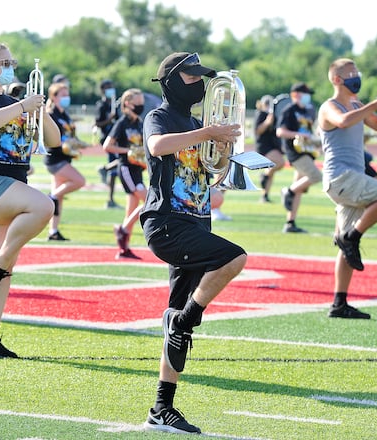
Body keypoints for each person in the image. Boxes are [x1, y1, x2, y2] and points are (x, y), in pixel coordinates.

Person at [140, 52, 246, 434]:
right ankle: (185, 320)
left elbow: (208, 172)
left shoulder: (197, 121)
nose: (199, 84)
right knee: (235, 258)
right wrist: (207, 134)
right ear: (170, 81)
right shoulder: (161, 116)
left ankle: (161, 408)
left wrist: (226, 151)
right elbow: (156, 147)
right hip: (167, 221)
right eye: (191, 77)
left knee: (176, 328)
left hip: (197, 220)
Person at [0, 42, 60, 357]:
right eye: (6, 62)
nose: (11, 66)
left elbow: (54, 140)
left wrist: (38, 110)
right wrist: (22, 106)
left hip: (12, 184)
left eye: (12, 61)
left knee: (3, 267)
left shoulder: (13, 101)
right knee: (45, 206)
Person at [318, 58, 377, 319]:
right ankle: (352, 237)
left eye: (357, 72)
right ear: (336, 79)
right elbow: (342, 121)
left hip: (352, 178)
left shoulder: (357, 104)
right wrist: (376, 105)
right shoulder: (330, 106)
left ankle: (339, 303)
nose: (355, 77)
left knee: (346, 250)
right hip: (340, 177)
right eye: (350, 74)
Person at [103, 88, 145, 259]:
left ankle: (124, 249)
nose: (141, 106)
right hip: (126, 168)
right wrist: (127, 151)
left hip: (137, 168)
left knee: (131, 211)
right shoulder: (122, 123)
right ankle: (123, 230)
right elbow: (107, 146)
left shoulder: (139, 122)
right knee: (150, 200)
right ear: (128, 104)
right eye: (138, 103)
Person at [276, 82, 322, 233]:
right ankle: (288, 191)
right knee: (316, 176)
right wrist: (298, 135)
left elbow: (309, 131)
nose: (308, 97)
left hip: (307, 151)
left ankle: (290, 222)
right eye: (305, 93)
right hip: (296, 152)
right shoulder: (289, 110)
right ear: (296, 95)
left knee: (299, 190)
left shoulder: (308, 111)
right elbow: (280, 132)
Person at [43, 81, 87, 241]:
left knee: (59, 199)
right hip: (54, 158)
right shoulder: (51, 114)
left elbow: (71, 137)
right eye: (63, 95)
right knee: (79, 181)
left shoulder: (65, 115)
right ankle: (50, 196)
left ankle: (53, 231)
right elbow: (51, 138)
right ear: (53, 97)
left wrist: (80, 143)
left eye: (67, 95)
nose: (66, 98)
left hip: (65, 158)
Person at [95, 79, 121, 209]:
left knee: (118, 166)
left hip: (117, 139)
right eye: (108, 87)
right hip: (108, 138)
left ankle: (111, 199)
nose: (111, 89)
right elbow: (98, 123)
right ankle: (105, 169)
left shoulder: (115, 105)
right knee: (121, 162)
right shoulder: (101, 105)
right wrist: (109, 119)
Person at [253, 94, 284, 203]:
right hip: (264, 146)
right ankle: (265, 175)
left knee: (272, 170)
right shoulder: (260, 114)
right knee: (279, 163)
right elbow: (257, 131)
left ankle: (265, 195)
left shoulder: (274, 115)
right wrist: (267, 122)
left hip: (272, 145)